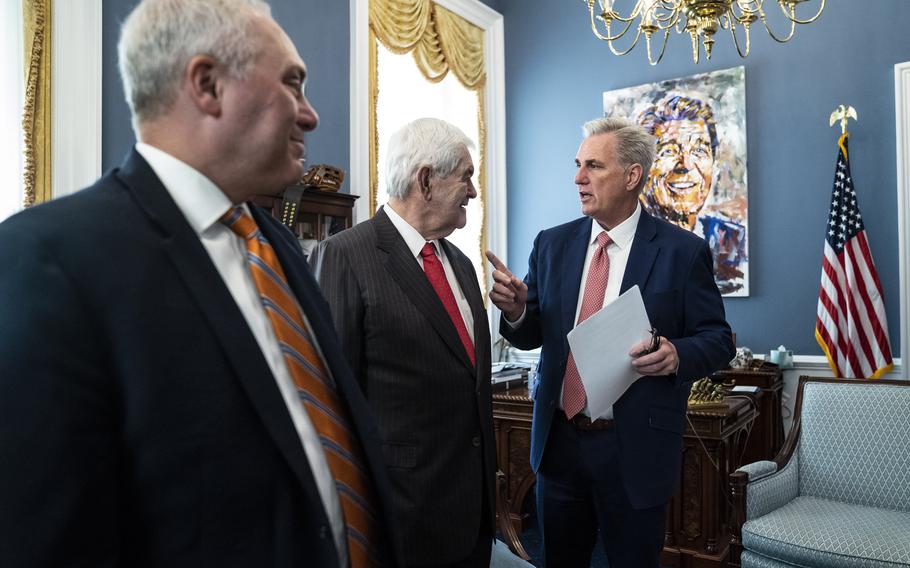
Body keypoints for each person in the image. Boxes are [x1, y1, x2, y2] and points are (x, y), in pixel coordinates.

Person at [0, 1, 398, 566]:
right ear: (208, 84)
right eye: (293, 84)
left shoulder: (278, 244)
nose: (310, 114)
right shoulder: (48, 259)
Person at [487, 117, 734, 567]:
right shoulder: (551, 245)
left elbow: (718, 340)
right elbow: (531, 332)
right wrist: (518, 310)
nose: (578, 178)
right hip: (559, 446)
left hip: (635, 449)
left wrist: (677, 354)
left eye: (594, 166)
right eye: (578, 165)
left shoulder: (682, 251)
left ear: (632, 176)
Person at [309, 118, 495, 568]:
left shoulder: (462, 264)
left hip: (473, 511)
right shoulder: (345, 255)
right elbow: (331, 401)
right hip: (400, 515)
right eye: (466, 176)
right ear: (427, 180)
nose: (473, 191)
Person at [638, 94, 747, 293]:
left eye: (699, 151)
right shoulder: (629, 247)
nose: (686, 165)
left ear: (713, 163)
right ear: (642, 171)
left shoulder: (732, 240)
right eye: (669, 151)